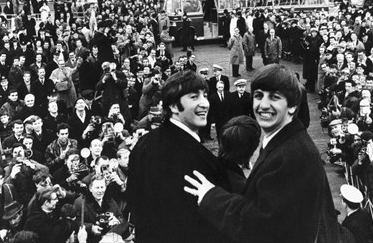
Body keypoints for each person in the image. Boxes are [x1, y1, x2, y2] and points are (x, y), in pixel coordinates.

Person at [183, 64, 338, 243]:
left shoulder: (292, 156)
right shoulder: (285, 140)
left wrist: (211, 197)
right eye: (258, 96)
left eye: (274, 97)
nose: (263, 105)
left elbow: (261, 227)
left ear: (293, 106)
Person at [128, 70, 231, 243]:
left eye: (204, 96)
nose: (205, 103)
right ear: (174, 106)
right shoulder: (194, 157)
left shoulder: (144, 142)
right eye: (194, 97)